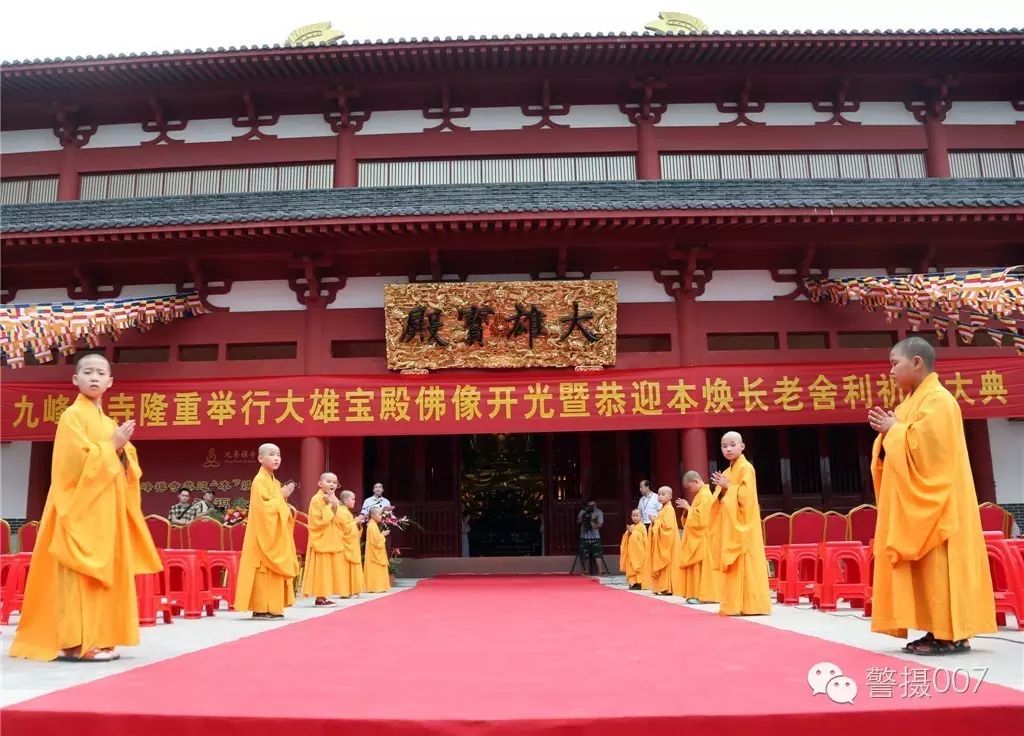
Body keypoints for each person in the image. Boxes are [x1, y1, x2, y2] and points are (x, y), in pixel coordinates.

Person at [10, 353, 162, 662]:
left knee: (102, 574)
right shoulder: (72, 417)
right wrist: (112, 446)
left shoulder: (107, 422)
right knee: (78, 574)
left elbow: (128, 468)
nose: (94, 377)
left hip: (104, 512)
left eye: (100, 372)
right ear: (75, 380)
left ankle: (100, 637)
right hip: (78, 509)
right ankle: (75, 642)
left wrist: (121, 450)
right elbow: (73, 464)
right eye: (87, 372)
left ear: (110, 382)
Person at [867, 336, 996, 655]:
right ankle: (932, 629)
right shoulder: (910, 404)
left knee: (940, 568)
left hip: (939, 507)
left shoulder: (939, 401)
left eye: (894, 363)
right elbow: (899, 448)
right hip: (915, 504)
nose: (890, 371)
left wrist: (894, 431)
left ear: (916, 362)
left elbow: (931, 454)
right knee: (925, 571)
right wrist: (890, 435)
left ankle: (951, 634)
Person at [233, 443, 299, 619]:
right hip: (262, 535)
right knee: (263, 570)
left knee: (272, 572)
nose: (276, 458)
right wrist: (281, 496)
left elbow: (278, 508)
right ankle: (261, 608)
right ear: (260, 458)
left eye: (278, 454)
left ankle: (274, 607)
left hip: (273, 536)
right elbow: (264, 509)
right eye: (271, 454)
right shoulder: (259, 480)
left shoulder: (274, 482)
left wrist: (282, 497)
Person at [712, 432, 771, 616]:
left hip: (745, 525)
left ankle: (753, 605)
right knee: (733, 565)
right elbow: (719, 499)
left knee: (747, 562)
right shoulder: (728, 472)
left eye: (732, 444)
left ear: (742, 446)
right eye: (724, 446)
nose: (728, 449)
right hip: (731, 527)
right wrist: (722, 490)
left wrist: (728, 487)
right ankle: (733, 604)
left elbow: (746, 497)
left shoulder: (747, 468)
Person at [301, 472, 346, 606]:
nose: (332, 484)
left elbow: (340, 519)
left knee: (328, 570)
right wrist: (329, 505)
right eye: (328, 481)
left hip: (331, 538)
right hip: (321, 539)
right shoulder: (317, 499)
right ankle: (320, 598)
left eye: (334, 482)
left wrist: (334, 504)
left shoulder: (333, 498)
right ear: (320, 484)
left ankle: (324, 596)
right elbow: (319, 521)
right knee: (322, 570)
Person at [675, 470, 719, 604]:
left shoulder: (705, 495)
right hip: (697, 538)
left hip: (702, 539)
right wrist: (688, 511)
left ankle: (702, 595)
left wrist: (689, 508)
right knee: (696, 568)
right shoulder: (700, 494)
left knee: (700, 568)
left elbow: (703, 519)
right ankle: (695, 593)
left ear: (696, 481)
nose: (689, 490)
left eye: (689, 487)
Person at [649, 486, 678, 595]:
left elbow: (668, 529)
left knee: (666, 565)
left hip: (667, 545)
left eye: (663, 494)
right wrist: (655, 522)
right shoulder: (663, 509)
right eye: (659, 494)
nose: (660, 496)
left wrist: (655, 522)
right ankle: (661, 587)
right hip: (662, 543)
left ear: (670, 497)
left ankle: (667, 588)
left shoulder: (669, 510)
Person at [338, 490, 365, 597]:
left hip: (351, 545)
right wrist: (355, 522)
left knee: (349, 569)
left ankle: (350, 591)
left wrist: (356, 523)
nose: (354, 501)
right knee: (346, 569)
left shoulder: (346, 512)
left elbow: (349, 527)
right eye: (352, 499)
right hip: (346, 546)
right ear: (345, 500)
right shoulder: (342, 512)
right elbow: (345, 530)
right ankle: (346, 591)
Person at [619, 508, 650, 590]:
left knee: (638, 567)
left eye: (637, 516)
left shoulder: (642, 526)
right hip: (631, 553)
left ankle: (639, 583)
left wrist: (633, 532)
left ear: (641, 517)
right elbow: (626, 538)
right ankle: (633, 582)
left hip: (639, 553)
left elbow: (642, 538)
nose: (635, 518)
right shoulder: (632, 526)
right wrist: (628, 533)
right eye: (633, 516)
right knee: (631, 567)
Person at [363, 507, 391, 593]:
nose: (381, 516)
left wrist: (381, 535)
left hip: (374, 552)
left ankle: (379, 586)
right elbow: (376, 542)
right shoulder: (372, 526)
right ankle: (375, 587)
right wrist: (383, 534)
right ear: (372, 515)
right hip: (374, 554)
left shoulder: (373, 524)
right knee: (376, 569)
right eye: (379, 514)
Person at [576, 499, 605, 575]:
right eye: (590, 505)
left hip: (595, 536)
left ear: (596, 505)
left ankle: (600, 571)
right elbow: (578, 522)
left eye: (593, 505)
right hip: (584, 536)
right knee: (585, 554)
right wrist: (583, 517)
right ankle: (586, 571)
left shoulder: (598, 512)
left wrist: (593, 523)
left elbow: (600, 524)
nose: (591, 507)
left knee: (597, 554)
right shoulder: (583, 511)